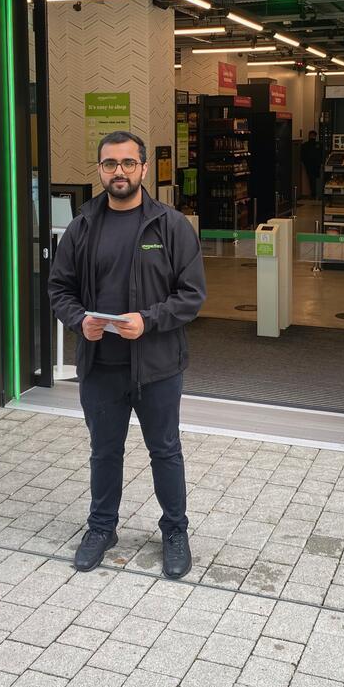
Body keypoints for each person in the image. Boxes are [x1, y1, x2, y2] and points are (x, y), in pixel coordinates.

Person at [48, 131, 206, 578]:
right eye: (109, 164)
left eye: (127, 163)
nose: (119, 171)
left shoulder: (170, 225)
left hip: (157, 365)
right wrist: (80, 320)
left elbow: (192, 295)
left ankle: (175, 531)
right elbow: (59, 290)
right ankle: (102, 527)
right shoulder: (82, 227)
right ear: (99, 170)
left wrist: (149, 320)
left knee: (165, 450)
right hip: (101, 366)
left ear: (142, 168)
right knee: (104, 451)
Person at [300, 129, 323, 199]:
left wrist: (304, 163)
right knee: (316, 179)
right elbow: (321, 155)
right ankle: (317, 194)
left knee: (312, 180)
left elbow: (302, 156)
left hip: (310, 165)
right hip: (316, 165)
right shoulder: (319, 145)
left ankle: (314, 194)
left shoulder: (305, 145)